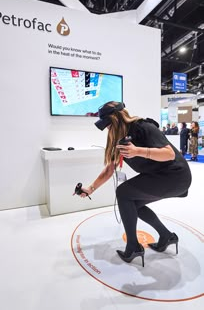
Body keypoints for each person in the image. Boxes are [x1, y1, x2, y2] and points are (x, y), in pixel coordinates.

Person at [75, 101, 192, 266]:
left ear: (116, 119)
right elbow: (109, 169)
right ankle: (167, 236)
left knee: (123, 193)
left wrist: (138, 151)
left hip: (175, 176)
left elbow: (169, 154)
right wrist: (91, 189)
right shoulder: (120, 139)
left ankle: (133, 246)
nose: (108, 129)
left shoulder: (143, 127)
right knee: (133, 204)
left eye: (108, 124)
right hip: (162, 177)